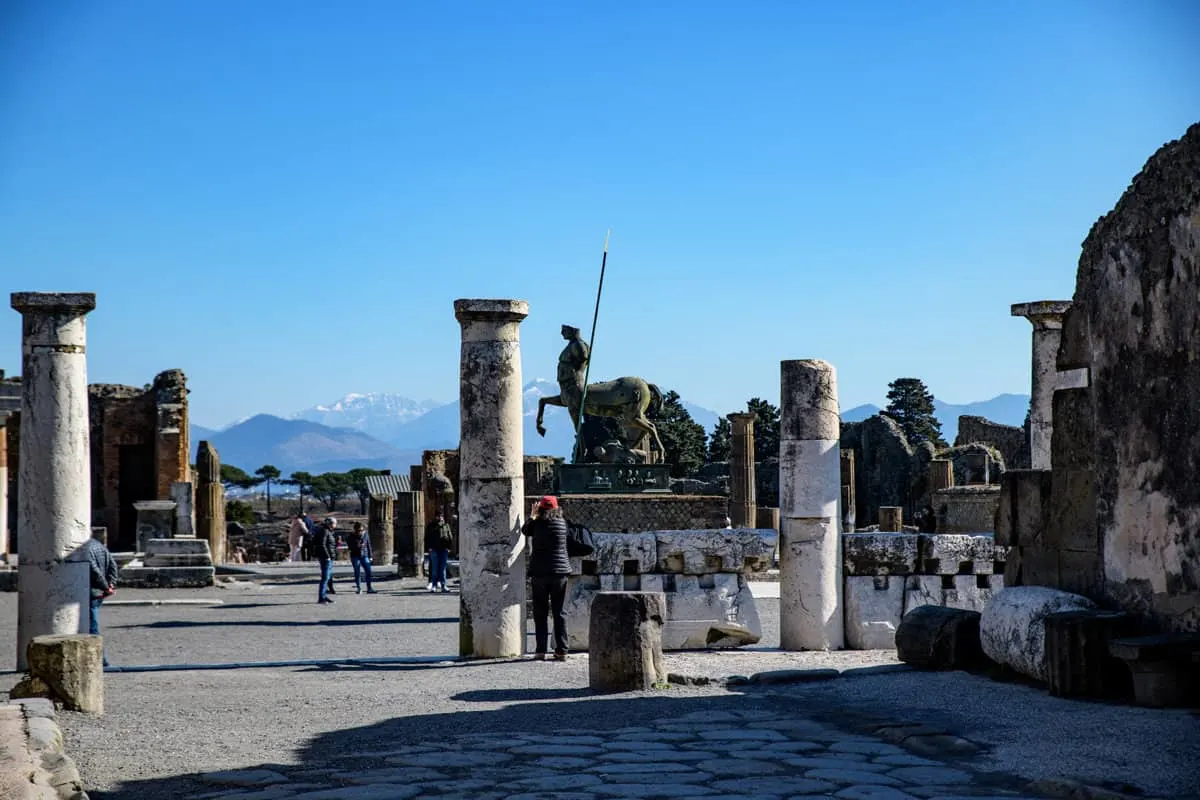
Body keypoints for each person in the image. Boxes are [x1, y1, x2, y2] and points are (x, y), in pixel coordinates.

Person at [521, 495, 570, 661]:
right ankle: (561, 650)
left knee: (540, 613)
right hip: (560, 572)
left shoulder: (537, 523)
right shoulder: (563, 524)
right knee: (559, 612)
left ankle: (540, 650)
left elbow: (524, 530)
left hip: (540, 573)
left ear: (541, 508)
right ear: (557, 509)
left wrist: (532, 515)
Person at [83, 531, 118, 667]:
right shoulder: (99, 545)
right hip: (98, 593)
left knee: (92, 627)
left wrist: (105, 586)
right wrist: (111, 583)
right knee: (92, 625)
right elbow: (112, 565)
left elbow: (94, 570)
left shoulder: (84, 549)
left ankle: (101, 659)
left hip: (90, 591)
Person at [345, 521, 377, 594]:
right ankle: (359, 588)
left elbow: (368, 545)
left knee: (368, 571)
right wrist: (357, 546)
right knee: (357, 572)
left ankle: (369, 588)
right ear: (355, 530)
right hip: (355, 555)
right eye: (359, 530)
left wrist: (370, 556)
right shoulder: (350, 537)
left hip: (364, 555)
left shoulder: (365, 534)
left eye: (362, 530)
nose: (360, 532)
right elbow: (350, 547)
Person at [426, 511, 453, 593]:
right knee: (435, 569)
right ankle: (434, 585)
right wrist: (429, 548)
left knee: (443, 569)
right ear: (436, 517)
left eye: (441, 516)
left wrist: (449, 548)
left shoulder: (446, 526)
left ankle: (443, 585)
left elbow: (450, 537)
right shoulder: (431, 526)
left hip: (443, 549)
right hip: (434, 549)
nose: (440, 518)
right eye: (438, 516)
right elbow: (427, 537)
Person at [316, 517, 338, 604]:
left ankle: (324, 596)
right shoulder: (325, 531)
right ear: (330, 523)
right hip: (326, 558)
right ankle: (321, 597)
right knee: (325, 578)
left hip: (328, 557)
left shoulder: (328, 531)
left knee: (327, 577)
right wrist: (327, 556)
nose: (336, 525)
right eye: (335, 523)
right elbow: (322, 544)